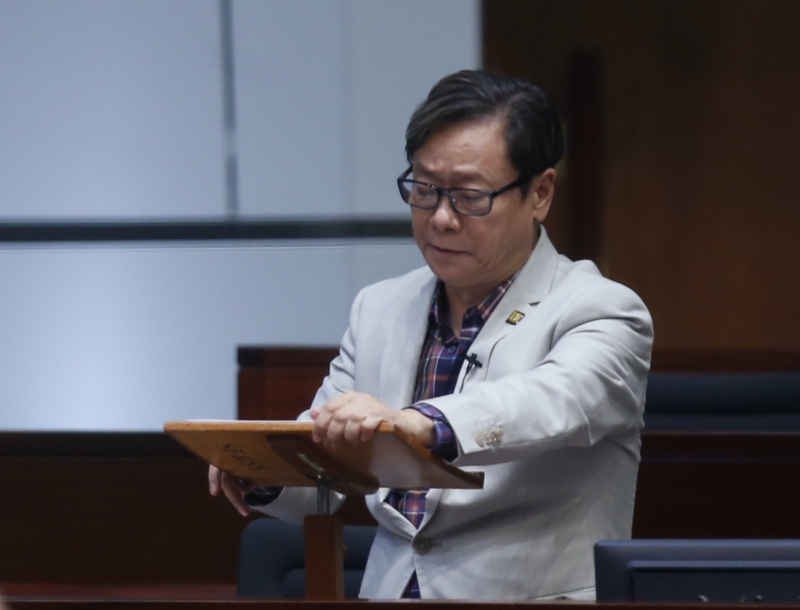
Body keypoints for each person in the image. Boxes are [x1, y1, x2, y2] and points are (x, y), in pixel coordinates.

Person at [209, 69, 653, 600]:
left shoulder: (601, 309)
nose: (441, 218)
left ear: (539, 192)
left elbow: (549, 400)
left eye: (469, 196)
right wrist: (263, 469)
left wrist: (419, 424)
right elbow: (326, 473)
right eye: (424, 190)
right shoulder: (380, 308)